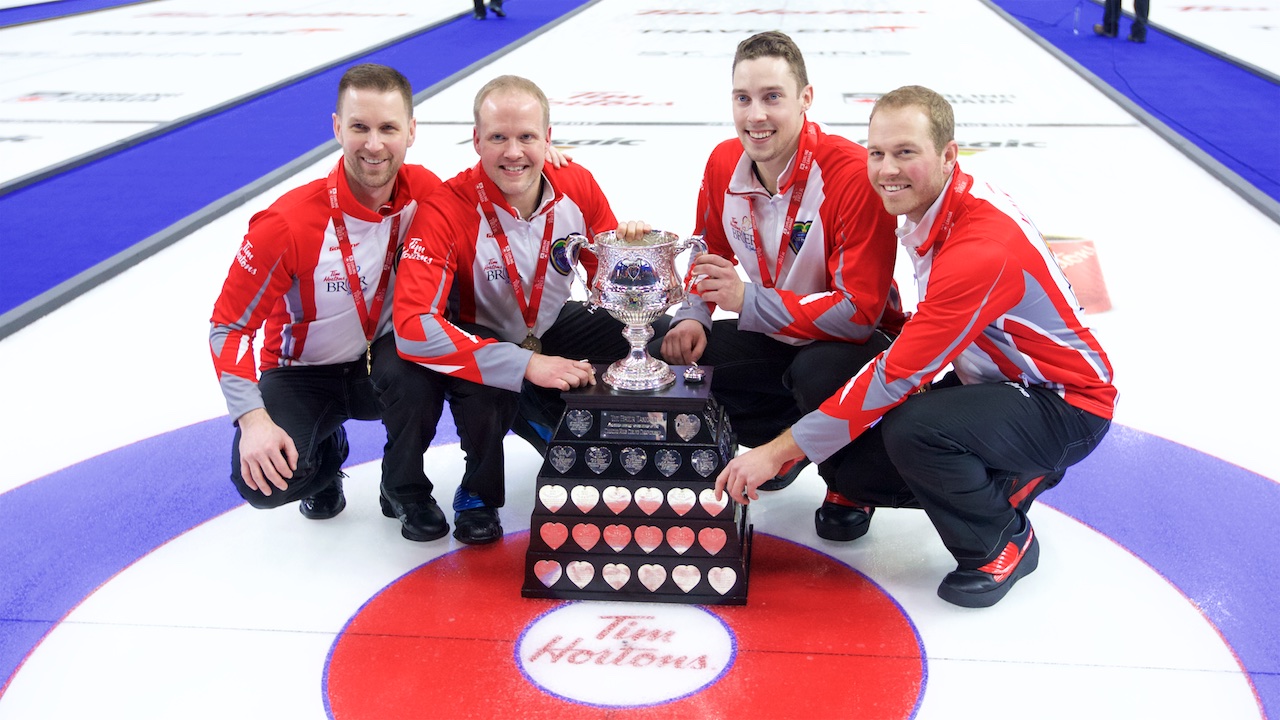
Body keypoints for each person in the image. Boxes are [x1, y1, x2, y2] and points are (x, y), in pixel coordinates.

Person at [714, 85, 1117, 608]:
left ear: (948, 155)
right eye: (877, 153)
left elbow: (898, 374)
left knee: (917, 431)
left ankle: (1000, 535)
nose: (887, 170)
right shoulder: (939, 205)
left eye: (906, 153)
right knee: (839, 410)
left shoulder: (981, 246)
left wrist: (775, 452)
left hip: (1063, 401)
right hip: (987, 378)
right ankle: (873, 484)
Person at [394, 75, 653, 544]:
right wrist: (524, 364)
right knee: (492, 381)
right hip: (482, 336)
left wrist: (633, 259)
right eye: (498, 137)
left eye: (527, 137)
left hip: (549, 324)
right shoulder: (445, 208)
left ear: (548, 139)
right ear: (476, 140)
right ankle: (478, 494)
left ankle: (655, 442)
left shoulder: (576, 183)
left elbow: (610, 283)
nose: (513, 152)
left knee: (659, 334)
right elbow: (413, 326)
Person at [209, 64, 461, 543]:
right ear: (337, 128)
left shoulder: (426, 194)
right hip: (301, 374)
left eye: (388, 128)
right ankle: (326, 454)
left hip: (383, 361)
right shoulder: (285, 224)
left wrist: (550, 165)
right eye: (359, 126)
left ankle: (403, 486)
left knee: (422, 366)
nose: (374, 144)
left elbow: (493, 193)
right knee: (262, 484)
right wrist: (253, 420)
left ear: (411, 131)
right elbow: (229, 327)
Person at [652, 30, 904, 492]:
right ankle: (784, 440)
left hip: (854, 345)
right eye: (743, 98)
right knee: (665, 357)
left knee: (815, 373)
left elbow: (859, 314)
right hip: (776, 335)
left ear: (806, 98)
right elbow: (709, 250)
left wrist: (747, 299)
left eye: (772, 97)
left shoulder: (851, 175)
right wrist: (694, 315)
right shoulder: (723, 161)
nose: (756, 115)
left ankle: (848, 486)